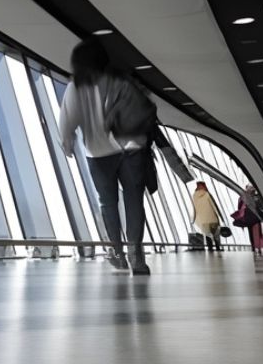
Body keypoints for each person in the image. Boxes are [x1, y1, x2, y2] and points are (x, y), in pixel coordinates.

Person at [59, 37, 173, 275]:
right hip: (131, 148)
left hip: (98, 153)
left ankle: (117, 252)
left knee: (107, 203)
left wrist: (67, 142)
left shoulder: (76, 86)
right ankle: (136, 255)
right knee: (134, 201)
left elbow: (68, 119)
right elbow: (144, 108)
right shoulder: (121, 80)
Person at [191, 182, 222, 252]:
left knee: (208, 236)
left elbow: (194, 209)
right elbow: (214, 206)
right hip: (213, 219)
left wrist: (193, 219)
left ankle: (210, 249)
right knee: (216, 236)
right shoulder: (207, 194)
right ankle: (218, 249)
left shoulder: (194, 196)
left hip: (203, 221)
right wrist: (220, 216)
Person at [237, 185, 263, 249]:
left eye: (253, 188)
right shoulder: (244, 197)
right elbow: (240, 207)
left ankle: (258, 245)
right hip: (249, 217)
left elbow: (261, 207)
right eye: (251, 188)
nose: (252, 189)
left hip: (255, 217)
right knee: (252, 231)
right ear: (246, 189)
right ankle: (255, 246)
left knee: (257, 231)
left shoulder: (256, 197)